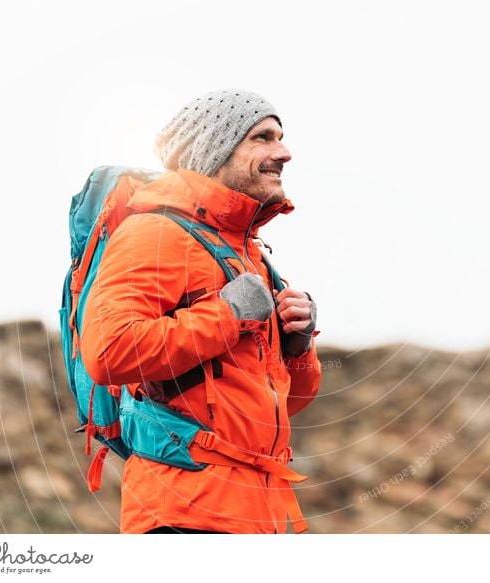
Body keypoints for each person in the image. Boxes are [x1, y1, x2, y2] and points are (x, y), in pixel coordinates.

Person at [80, 89, 321, 534]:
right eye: (262, 138)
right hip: (183, 512)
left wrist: (299, 344)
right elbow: (108, 353)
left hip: (255, 515)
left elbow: (290, 403)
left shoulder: (247, 252)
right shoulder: (152, 233)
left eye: (280, 138)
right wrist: (229, 315)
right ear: (215, 148)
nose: (284, 152)